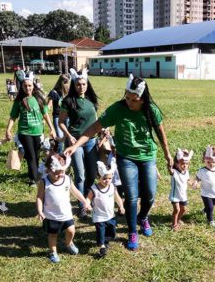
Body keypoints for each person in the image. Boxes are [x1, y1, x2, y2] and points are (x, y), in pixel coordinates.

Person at [65, 74, 173, 251]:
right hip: (126, 158)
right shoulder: (117, 109)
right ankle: (132, 231)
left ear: (142, 98)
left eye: (134, 99)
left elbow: (161, 134)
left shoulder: (151, 110)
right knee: (131, 196)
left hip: (147, 156)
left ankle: (143, 217)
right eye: (127, 98)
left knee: (150, 194)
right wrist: (76, 145)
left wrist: (167, 156)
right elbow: (94, 127)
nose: (130, 102)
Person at [36, 153, 91, 263]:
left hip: (66, 213)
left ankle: (69, 243)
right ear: (48, 170)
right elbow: (39, 197)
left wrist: (85, 201)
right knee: (53, 234)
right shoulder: (44, 182)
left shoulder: (67, 179)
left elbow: (75, 192)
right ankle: (53, 251)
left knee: (71, 230)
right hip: (51, 215)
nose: (60, 175)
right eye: (57, 173)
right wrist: (40, 211)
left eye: (62, 172)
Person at [58, 68, 99, 218]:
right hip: (75, 142)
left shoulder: (91, 100)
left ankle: (89, 200)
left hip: (91, 141)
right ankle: (82, 206)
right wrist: (69, 136)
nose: (81, 87)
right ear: (74, 85)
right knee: (80, 175)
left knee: (91, 173)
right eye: (78, 84)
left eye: (84, 84)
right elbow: (61, 122)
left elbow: (95, 120)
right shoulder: (68, 101)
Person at [5, 77, 56, 187]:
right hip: (24, 132)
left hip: (37, 132)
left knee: (36, 155)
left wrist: (52, 128)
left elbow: (46, 115)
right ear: (21, 87)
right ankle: (34, 179)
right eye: (25, 86)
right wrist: (8, 130)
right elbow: (13, 117)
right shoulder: (19, 101)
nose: (27, 87)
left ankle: (33, 174)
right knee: (31, 156)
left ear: (33, 86)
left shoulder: (39, 99)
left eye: (29, 85)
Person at [86, 159, 125, 257]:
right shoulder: (94, 189)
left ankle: (106, 240)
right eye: (104, 179)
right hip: (99, 217)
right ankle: (102, 246)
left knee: (111, 232)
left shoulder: (112, 187)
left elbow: (117, 197)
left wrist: (121, 206)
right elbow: (88, 199)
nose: (107, 181)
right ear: (98, 177)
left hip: (111, 215)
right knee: (101, 232)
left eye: (109, 178)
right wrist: (87, 205)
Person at [169, 148, 193, 231]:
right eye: (183, 164)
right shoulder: (174, 172)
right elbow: (170, 168)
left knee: (183, 209)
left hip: (183, 196)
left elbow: (188, 180)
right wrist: (170, 161)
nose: (185, 165)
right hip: (175, 195)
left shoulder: (186, 172)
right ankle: (174, 225)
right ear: (177, 164)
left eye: (187, 164)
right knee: (177, 209)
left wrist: (192, 183)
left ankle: (177, 220)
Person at [48, 74, 70, 153]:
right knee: (60, 137)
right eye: (65, 82)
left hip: (68, 117)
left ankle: (67, 155)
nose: (67, 84)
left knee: (68, 137)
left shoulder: (69, 92)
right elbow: (49, 105)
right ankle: (59, 156)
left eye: (68, 82)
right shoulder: (54, 92)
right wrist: (43, 114)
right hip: (57, 117)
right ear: (60, 82)